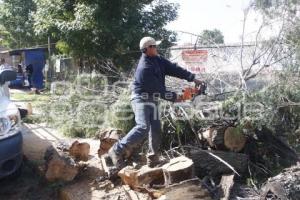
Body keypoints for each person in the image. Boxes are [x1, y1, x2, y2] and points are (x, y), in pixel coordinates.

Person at [108, 37, 203, 168]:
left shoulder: (158, 59)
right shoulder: (144, 68)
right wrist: (181, 96)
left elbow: (174, 69)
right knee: (143, 127)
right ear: (147, 49)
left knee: (156, 128)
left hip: (152, 98)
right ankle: (116, 150)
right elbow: (160, 91)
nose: (156, 48)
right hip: (140, 98)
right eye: (154, 46)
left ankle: (153, 158)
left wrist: (193, 78)